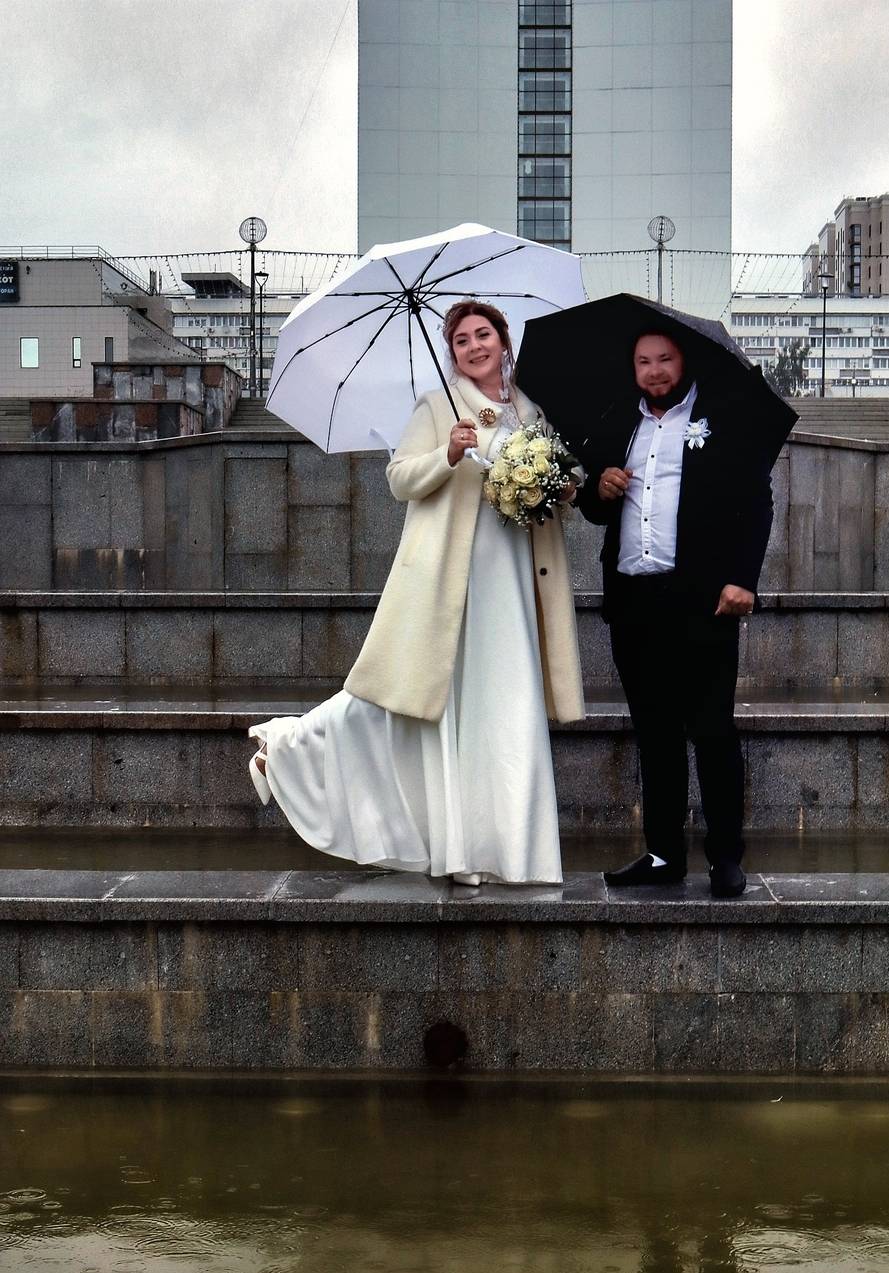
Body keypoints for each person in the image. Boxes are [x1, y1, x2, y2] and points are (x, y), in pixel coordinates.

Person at [248, 301, 584, 886]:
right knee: (411, 704)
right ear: (452, 353)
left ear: (504, 341)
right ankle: (287, 746)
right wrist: (446, 455)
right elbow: (399, 478)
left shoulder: (533, 413)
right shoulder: (437, 406)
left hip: (513, 583)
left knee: (506, 708)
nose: (474, 347)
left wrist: (560, 486)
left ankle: (505, 853)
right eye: (461, 341)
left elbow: (555, 485)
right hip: (449, 582)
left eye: (483, 335)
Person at [576, 329, 773, 898]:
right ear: (633, 368)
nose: (655, 370)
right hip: (635, 602)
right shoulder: (619, 421)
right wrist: (599, 489)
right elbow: (593, 507)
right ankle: (663, 854)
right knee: (655, 734)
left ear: (683, 361)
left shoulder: (720, 419)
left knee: (712, 731)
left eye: (665, 358)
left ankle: (724, 858)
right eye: (644, 361)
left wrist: (743, 578)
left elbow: (757, 501)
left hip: (703, 600)